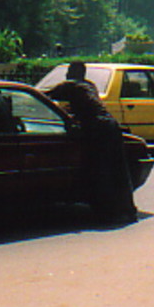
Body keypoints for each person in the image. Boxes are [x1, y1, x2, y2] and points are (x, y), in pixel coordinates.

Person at [46, 61, 138, 224]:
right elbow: (85, 104)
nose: (67, 74)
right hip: (111, 125)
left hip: (97, 128)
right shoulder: (89, 85)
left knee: (101, 171)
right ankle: (128, 210)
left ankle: (108, 213)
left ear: (73, 73)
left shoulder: (71, 85)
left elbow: (45, 97)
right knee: (119, 171)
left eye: (69, 71)